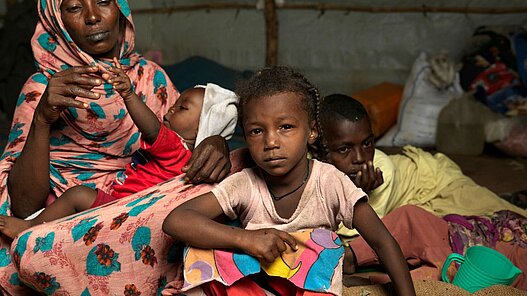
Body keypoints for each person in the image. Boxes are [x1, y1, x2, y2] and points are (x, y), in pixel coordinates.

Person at [0, 0, 231, 294]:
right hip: (59, 216)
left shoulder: (151, 79)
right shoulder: (41, 89)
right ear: (56, 21)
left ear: (121, 9)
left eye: (104, 2)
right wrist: (43, 119)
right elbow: (23, 207)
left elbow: (183, 145)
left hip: (133, 216)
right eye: (74, 8)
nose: (93, 16)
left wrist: (215, 139)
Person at [162, 66, 416, 295]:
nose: (271, 142)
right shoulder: (246, 183)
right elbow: (177, 220)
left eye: (285, 127)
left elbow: (382, 242)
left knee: (322, 246)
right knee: (200, 249)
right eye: (257, 131)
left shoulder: (329, 182)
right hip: (254, 286)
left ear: (312, 131)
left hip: (310, 288)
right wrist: (246, 239)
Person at [0, 57, 239, 239]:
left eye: (183, 107)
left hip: (123, 210)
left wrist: (128, 94)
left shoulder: (175, 147)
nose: (172, 108)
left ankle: (30, 228)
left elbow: (152, 128)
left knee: (78, 195)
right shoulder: (41, 85)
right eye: (175, 103)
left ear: (204, 128)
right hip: (120, 208)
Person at [315, 93, 527, 289]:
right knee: (433, 240)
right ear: (319, 151)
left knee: (510, 221)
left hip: (435, 180)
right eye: (344, 149)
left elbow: (366, 232)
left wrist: (360, 193)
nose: (361, 158)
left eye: (367, 143)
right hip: (409, 204)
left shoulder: (380, 170)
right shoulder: (311, 170)